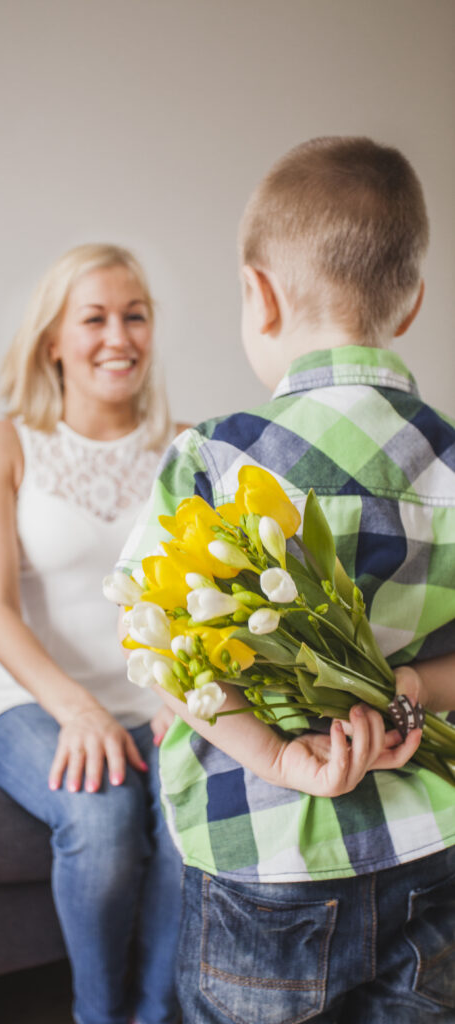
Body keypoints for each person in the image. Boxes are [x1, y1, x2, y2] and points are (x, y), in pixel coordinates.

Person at [115, 138, 455, 1022]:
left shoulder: (217, 456)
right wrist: (407, 687)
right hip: (435, 845)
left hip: (262, 858)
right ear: (411, 302)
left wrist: (273, 754)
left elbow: (158, 650)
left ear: (258, 295)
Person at [0, 243, 185, 1024]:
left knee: (197, 815)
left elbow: (204, 602)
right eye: (94, 318)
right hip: (25, 701)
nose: (116, 337)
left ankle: (156, 1015)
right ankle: (97, 1017)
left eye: (135, 316)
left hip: (156, 706)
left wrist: (184, 699)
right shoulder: (3, 445)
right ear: (53, 339)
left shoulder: (188, 450)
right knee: (102, 812)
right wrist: (76, 711)